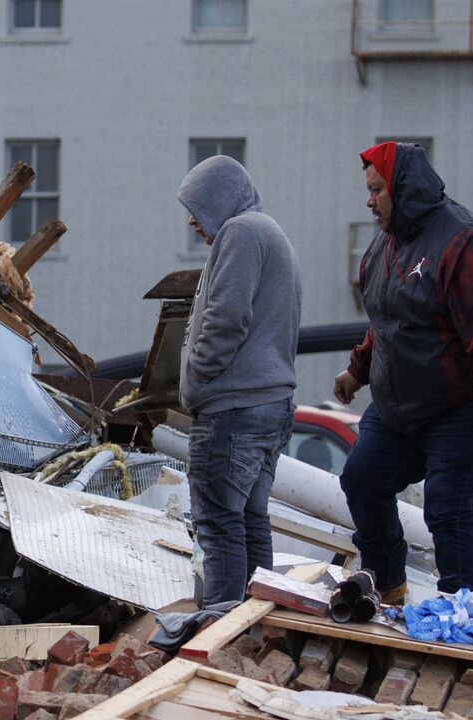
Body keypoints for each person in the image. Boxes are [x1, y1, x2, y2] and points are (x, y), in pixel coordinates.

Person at [335, 141, 473, 602]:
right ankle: (386, 585)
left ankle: (462, 611)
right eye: (368, 190)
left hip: (465, 403)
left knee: (449, 505)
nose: (369, 200)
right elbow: (389, 321)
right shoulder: (383, 248)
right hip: (401, 405)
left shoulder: (465, 244)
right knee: (361, 479)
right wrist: (357, 371)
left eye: (377, 190)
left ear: (403, 189)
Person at [177, 155, 302, 606]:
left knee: (219, 524)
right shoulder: (268, 232)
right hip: (267, 406)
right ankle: (252, 627)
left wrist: (199, 373)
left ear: (221, 201)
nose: (193, 220)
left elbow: (226, 319)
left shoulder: (241, 232)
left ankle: (218, 631)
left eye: (199, 206)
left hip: (234, 410)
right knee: (249, 520)